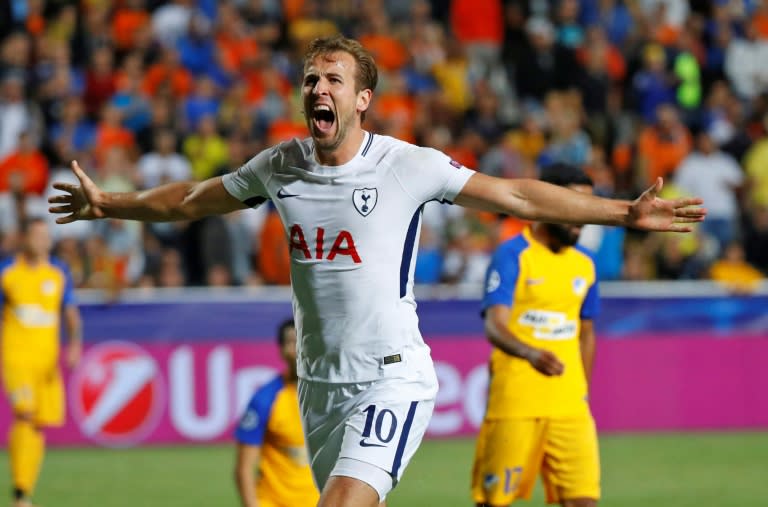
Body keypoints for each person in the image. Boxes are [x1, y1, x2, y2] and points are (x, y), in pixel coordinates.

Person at [48, 35, 705, 507]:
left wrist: (622, 211)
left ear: (363, 98)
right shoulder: (282, 166)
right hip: (320, 387)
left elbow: (518, 196)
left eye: (333, 79)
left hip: (390, 378)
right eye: (310, 79)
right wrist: (110, 203)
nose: (318, 89)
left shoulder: (405, 165)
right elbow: (192, 200)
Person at [471, 164, 603, 507]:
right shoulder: (513, 254)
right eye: (574, 206)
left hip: (570, 406)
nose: (582, 217)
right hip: (516, 400)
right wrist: (529, 353)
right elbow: (494, 325)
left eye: (588, 208)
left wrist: (581, 390)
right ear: (547, 203)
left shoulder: (586, 264)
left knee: (584, 501)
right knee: (494, 501)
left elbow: (586, 333)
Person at [1, 217, 82, 507]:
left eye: (45, 236)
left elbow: (70, 313)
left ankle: (24, 490)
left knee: (37, 424)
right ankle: (21, 494)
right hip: (15, 356)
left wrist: (74, 345)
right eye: (36, 235)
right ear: (26, 238)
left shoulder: (59, 272)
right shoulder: (7, 272)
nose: (41, 241)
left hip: (47, 360)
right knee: (24, 415)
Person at [234, 318, 320, 507]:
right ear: (281, 350)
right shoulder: (265, 399)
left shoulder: (335, 397)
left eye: (304, 340)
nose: (299, 348)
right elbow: (244, 469)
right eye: (291, 342)